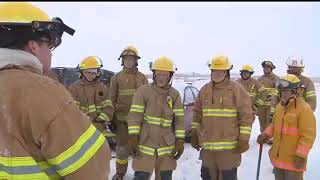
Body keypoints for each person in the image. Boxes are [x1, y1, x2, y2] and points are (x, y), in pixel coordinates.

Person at [0, 2, 111, 179]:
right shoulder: (43, 92)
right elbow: (93, 168)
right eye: (50, 46)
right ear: (34, 46)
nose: (51, 54)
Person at [191, 55, 255, 180]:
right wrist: (194, 133)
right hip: (208, 149)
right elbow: (197, 114)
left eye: (221, 71)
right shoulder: (204, 90)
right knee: (207, 176)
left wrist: (243, 139)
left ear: (227, 72)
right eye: (215, 70)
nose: (217, 74)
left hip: (229, 150)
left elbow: (246, 117)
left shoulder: (236, 89)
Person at [127, 56, 185, 180]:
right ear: (154, 74)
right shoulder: (143, 91)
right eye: (158, 74)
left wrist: (180, 140)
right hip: (145, 144)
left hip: (166, 147)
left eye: (164, 75)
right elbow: (135, 116)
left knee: (165, 177)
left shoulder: (174, 95)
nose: (161, 77)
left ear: (170, 76)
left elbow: (179, 120)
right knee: (141, 177)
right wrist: (133, 136)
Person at [257, 74, 316, 180]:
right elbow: (274, 125)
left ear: (295, 91)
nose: (282, 93)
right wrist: (266, 134)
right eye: (281, 90)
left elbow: (308, 136)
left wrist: (301, 156)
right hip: (278, 160)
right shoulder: (280, 107)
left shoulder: (304, 109)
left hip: (294, 162)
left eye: (286, 90)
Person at [109, 45, 148, 180]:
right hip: (122, 123)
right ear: (122, 60)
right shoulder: (116, 78)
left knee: (140, 149)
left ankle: (141, 173)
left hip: (139, 122)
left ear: (136, 60)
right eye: (126, 59)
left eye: (131, 59)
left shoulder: (142, 78)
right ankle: (120, 173)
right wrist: (112, 119)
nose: (129, 61)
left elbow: (147, 100)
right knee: (121, 150)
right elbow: (111, 100)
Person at [68, 56, 115, 149]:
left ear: (98, 73)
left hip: (100, 125)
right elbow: (72, 110)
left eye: (93, 73)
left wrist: (101, 119)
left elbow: (108, 106)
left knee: (110, 143)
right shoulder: (74, 89)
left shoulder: (102, 88)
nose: (90, 75)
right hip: (81, 127)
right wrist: (87, 121)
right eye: (87, 72)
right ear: (82, 72)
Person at [257, 60, 280, 136]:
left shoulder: (277, 79)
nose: (266, 69)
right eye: (264, 68)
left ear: (271, 69)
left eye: (268, 68)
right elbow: (257, 93)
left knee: (270, 122)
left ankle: (270, 137)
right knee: (262, 123)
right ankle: (263, 136)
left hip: (271, 106)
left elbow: (279, 93)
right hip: (261, 106)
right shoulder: (259, 79)